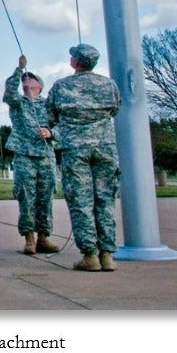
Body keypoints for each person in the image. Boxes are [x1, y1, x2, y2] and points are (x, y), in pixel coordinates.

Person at [46, 43, 122, 272]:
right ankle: (107, 254)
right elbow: (115, 109)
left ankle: (90, 255)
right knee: (105, 200)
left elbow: (50, 115)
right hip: (105, 147)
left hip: (75, 148)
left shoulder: (62, 87)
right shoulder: (108, 84)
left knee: (81, 201)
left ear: (76, 62)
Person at [3, 55, 59, 255]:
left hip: (45, 156)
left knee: (45, 197)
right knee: (26, 196)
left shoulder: (49, 105)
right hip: (24, 156)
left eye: (31, 77)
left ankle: (44, 237)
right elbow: (9, 92)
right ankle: (29, 239)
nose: (27, 79)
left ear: (39, 86)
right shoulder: (19, 103)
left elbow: (62, 127)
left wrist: (51, 133)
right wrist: (19, 70)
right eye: (25, 78)